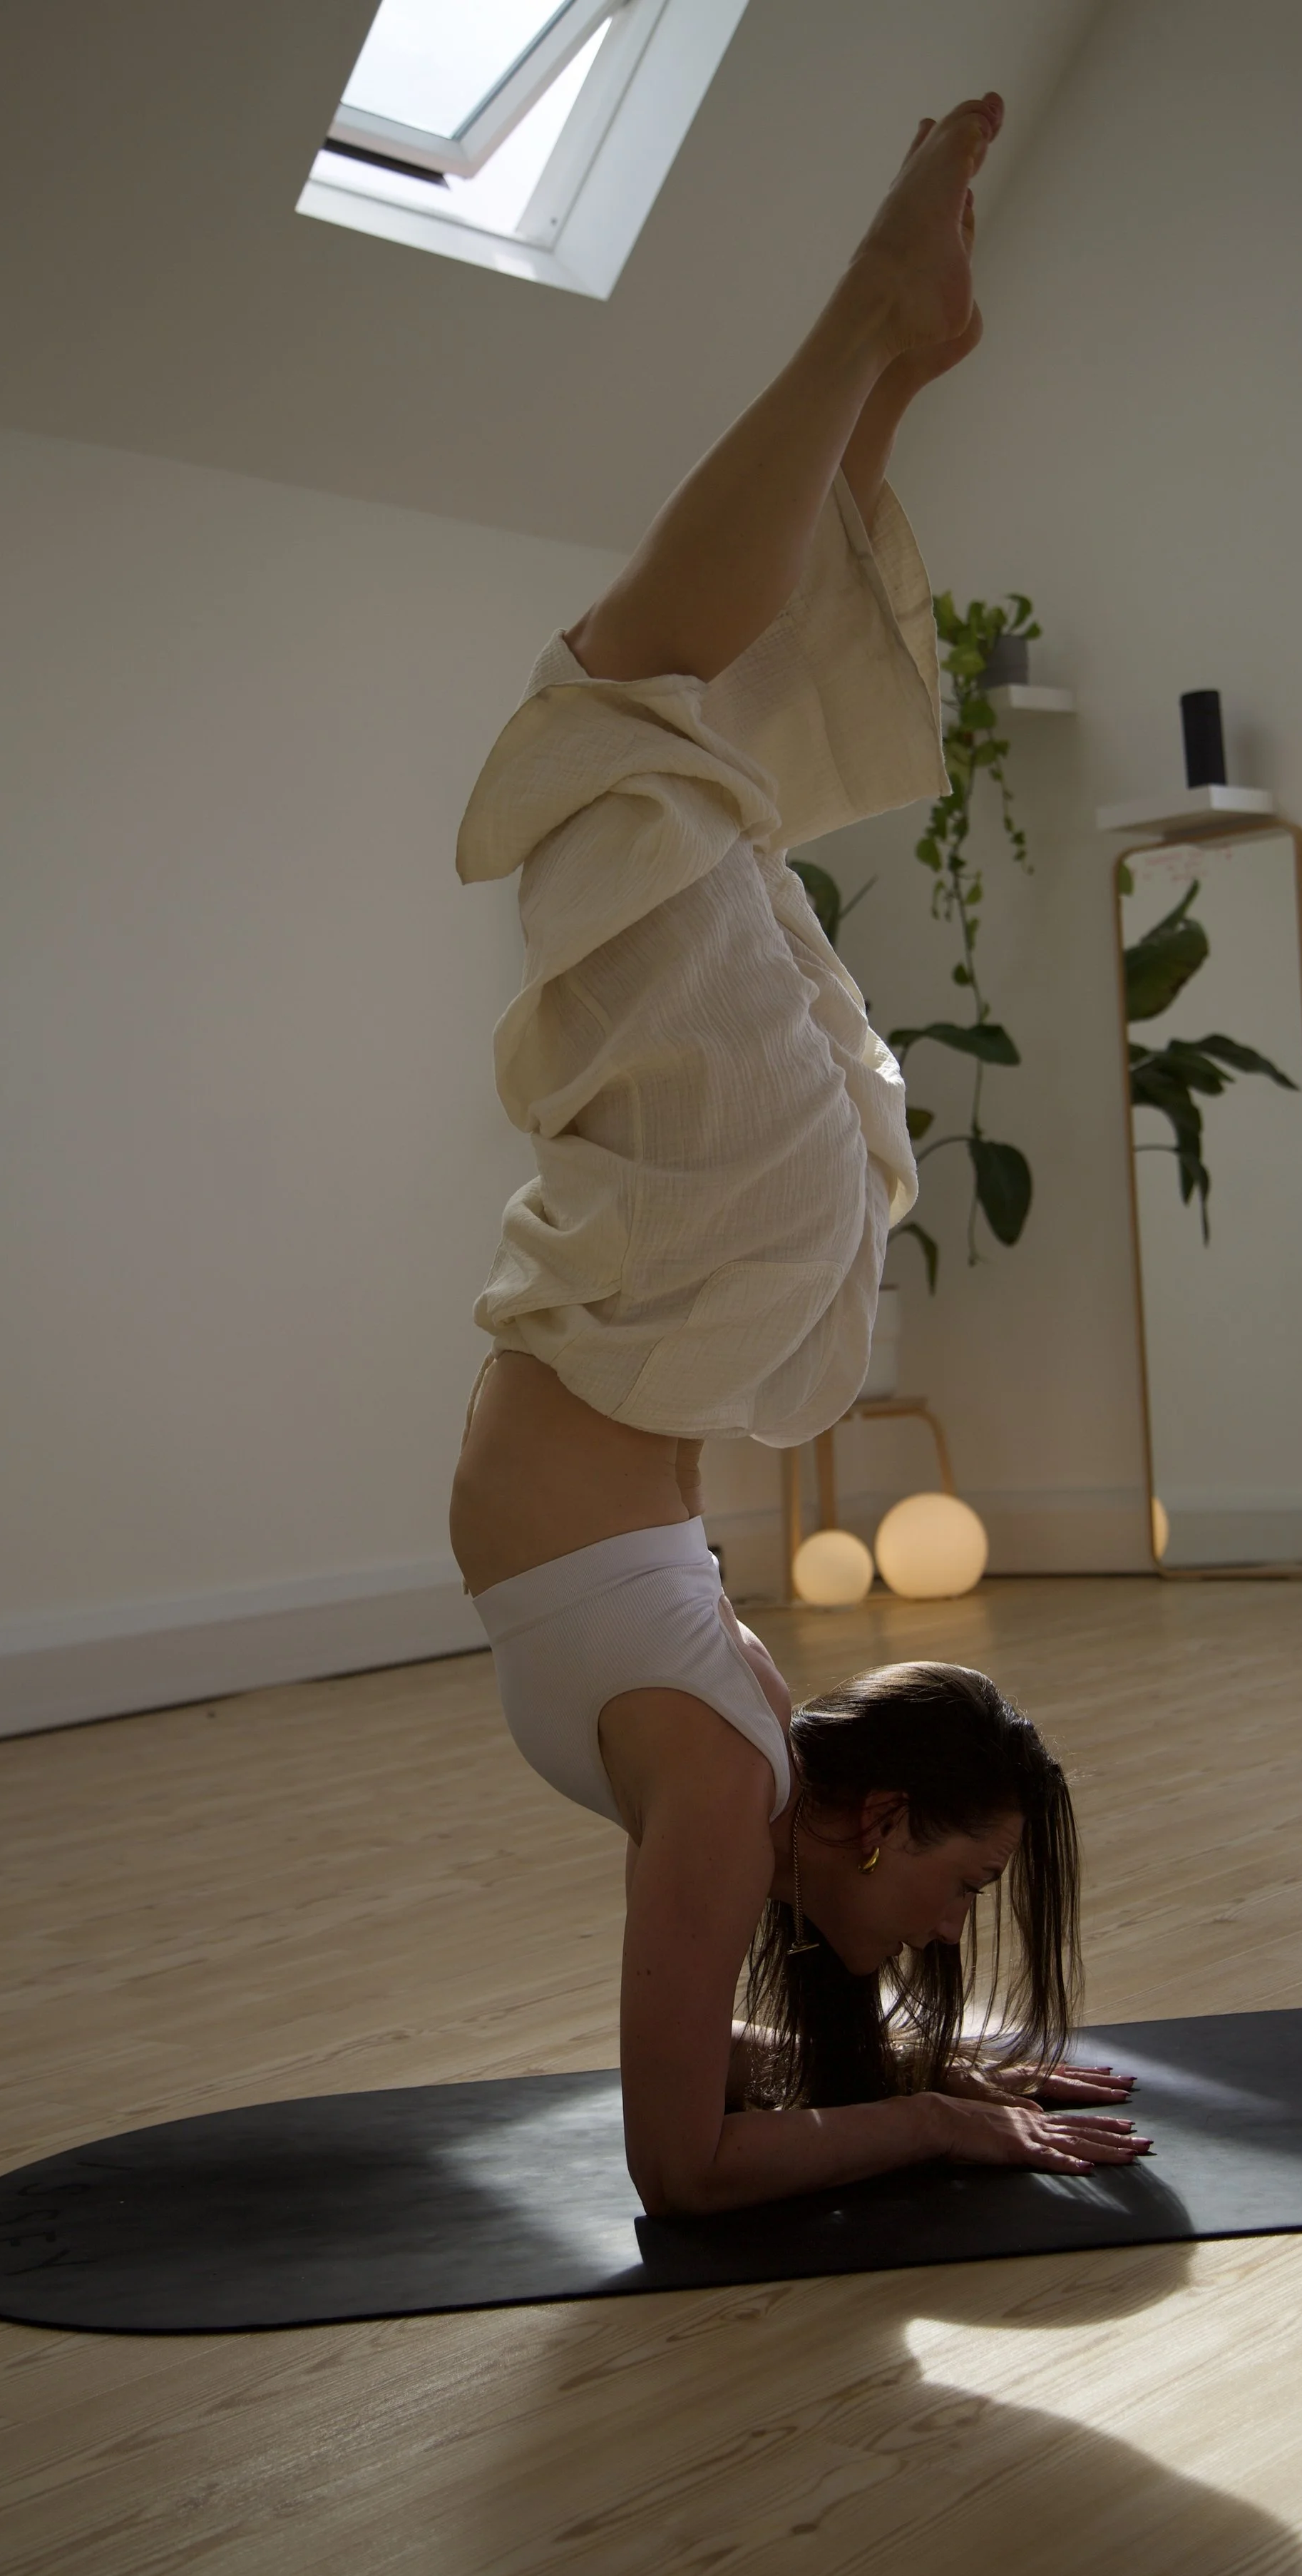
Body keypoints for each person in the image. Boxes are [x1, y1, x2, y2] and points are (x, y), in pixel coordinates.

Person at [450, 93, 1150, 2217]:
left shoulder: (732, 1780)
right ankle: (876, 337)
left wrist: (917, 2099)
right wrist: (933, 2105)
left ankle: (887, 359)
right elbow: (704, 2140)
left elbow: (681, 2153)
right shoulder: (736, 1765)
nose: (943, 1943)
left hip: (705, 1263)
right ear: (860, 1818)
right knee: (633, 713)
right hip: (700, 1263)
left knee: (684, 725)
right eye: (962, 1897)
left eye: (945, 1903)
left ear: (862, 1819)